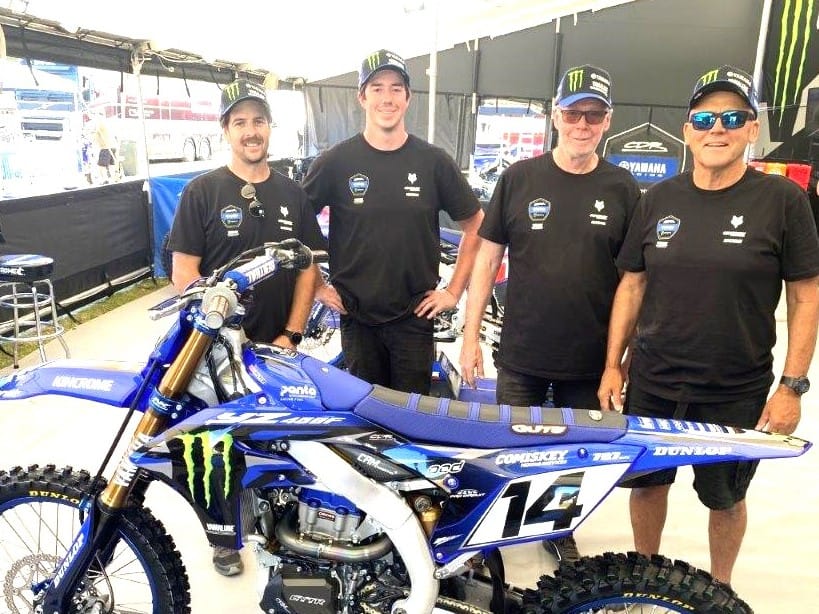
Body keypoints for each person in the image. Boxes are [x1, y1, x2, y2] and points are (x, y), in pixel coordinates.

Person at [597, 65, 819, 585]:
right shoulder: (658, 201)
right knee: (649, 486)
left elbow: (806, 295)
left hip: (735, 386)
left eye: (731, 117)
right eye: (704, 118)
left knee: (726, 497)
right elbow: (632, 286)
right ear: (687, 130)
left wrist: (792, 386)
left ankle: (720, 588)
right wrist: (613, 365)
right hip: (654, 379)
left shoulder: (783, 201)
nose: (716, 128)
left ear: (751, 129)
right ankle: (646, 575)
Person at [459, 64, 641, 563]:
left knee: (574, 457)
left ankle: (556, 530)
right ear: (555, 116)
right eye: (573, 113)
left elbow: (634, 281)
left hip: (588, 362)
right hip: (521, 355)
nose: (582, 124)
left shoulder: (623, 189)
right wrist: (470, 336)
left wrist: (617, 362)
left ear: (608, 120)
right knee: (505, 451)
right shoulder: (519, 178)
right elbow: (488, 259)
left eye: (594, 115)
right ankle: (490, 537)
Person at [167, 78, 324, 577]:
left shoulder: (292, 194)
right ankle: (224, 538)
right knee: (215, 449)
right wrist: (215, 332)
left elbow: (308, 269)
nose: (251, 131)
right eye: (240, 123)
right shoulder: (201, 191)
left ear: (270, 128)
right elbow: (183, 274)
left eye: (259, 121)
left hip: (279, 347)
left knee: (278, 442)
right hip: (216, 353)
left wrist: (292, 335)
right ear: (225, 131)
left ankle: (277, 527)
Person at [302, 49, 484, 394]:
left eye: (396, 88)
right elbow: (296, 226)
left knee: (410, 422)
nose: (387, 97)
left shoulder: (434, 162)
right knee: (365, 420)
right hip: (356, 317)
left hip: (414, 318)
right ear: (362, 97)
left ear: (408, 97)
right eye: (378, 88)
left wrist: (453, 291)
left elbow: (476, 224)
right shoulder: (335, 162)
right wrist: (317, 286)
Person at [91, 114, 118, 183]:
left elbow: (94, 136)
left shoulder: (100, 123)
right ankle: (113, 179)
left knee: (101, 166)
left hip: (106, 147)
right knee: (111, 164)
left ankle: (105, 179)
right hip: (112, 146)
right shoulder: (106, 123)